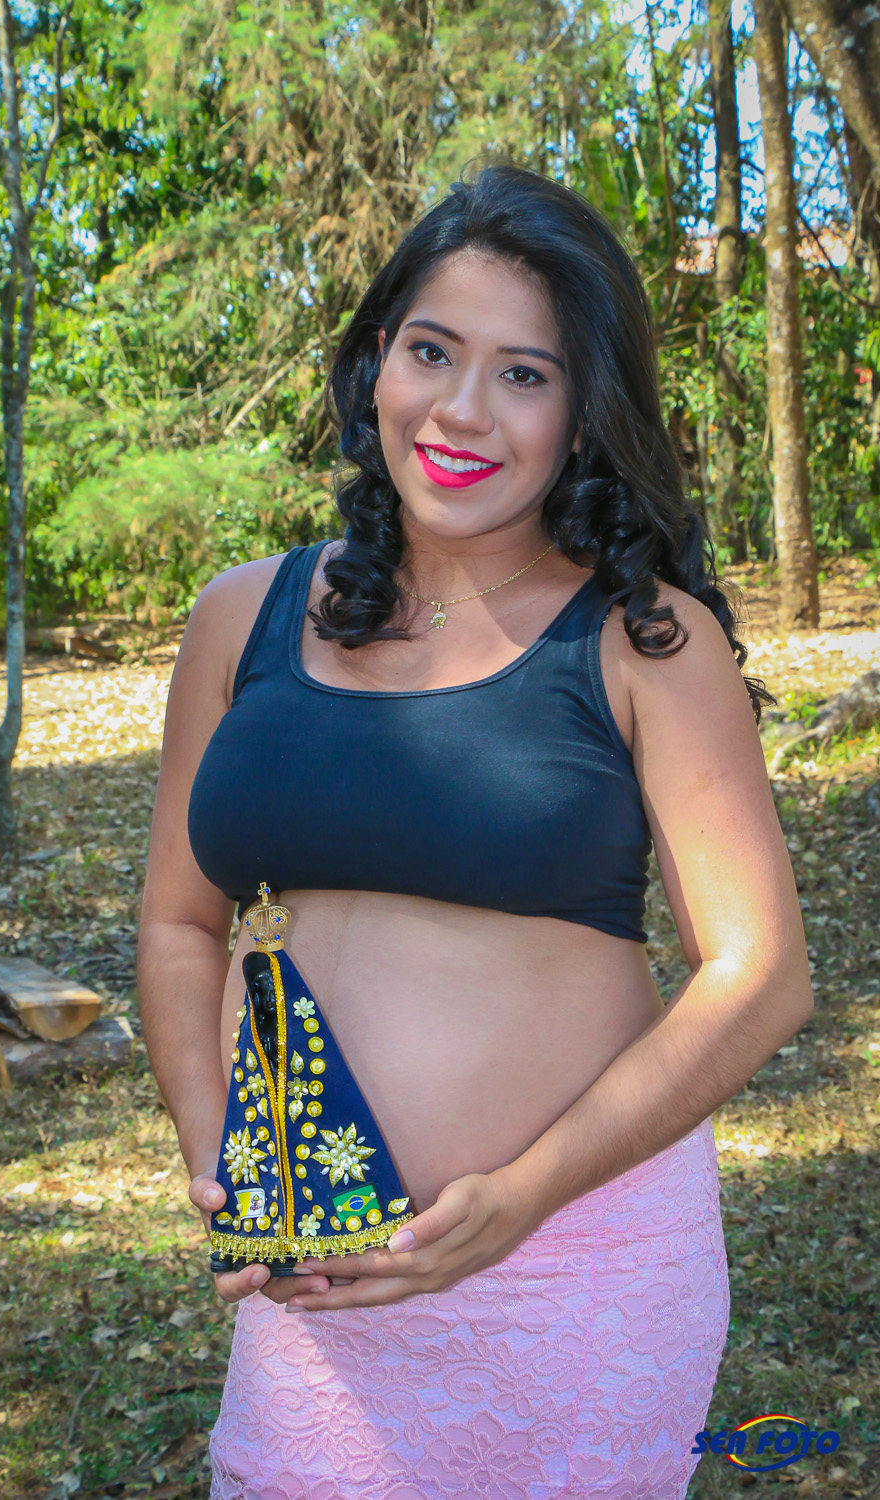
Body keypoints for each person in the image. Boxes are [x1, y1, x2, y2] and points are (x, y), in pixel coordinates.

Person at [137, 157, 814, 1500]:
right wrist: (226, 1164)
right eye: (434, 352)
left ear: (583, 408)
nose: (461, 409)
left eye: (524, 373)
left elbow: (760, 976)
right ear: (378, 360)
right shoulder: (241, 614)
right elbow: (177, 920)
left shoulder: (646, 640)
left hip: (575, 1272)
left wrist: (523, 1196)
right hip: (319, 1291)